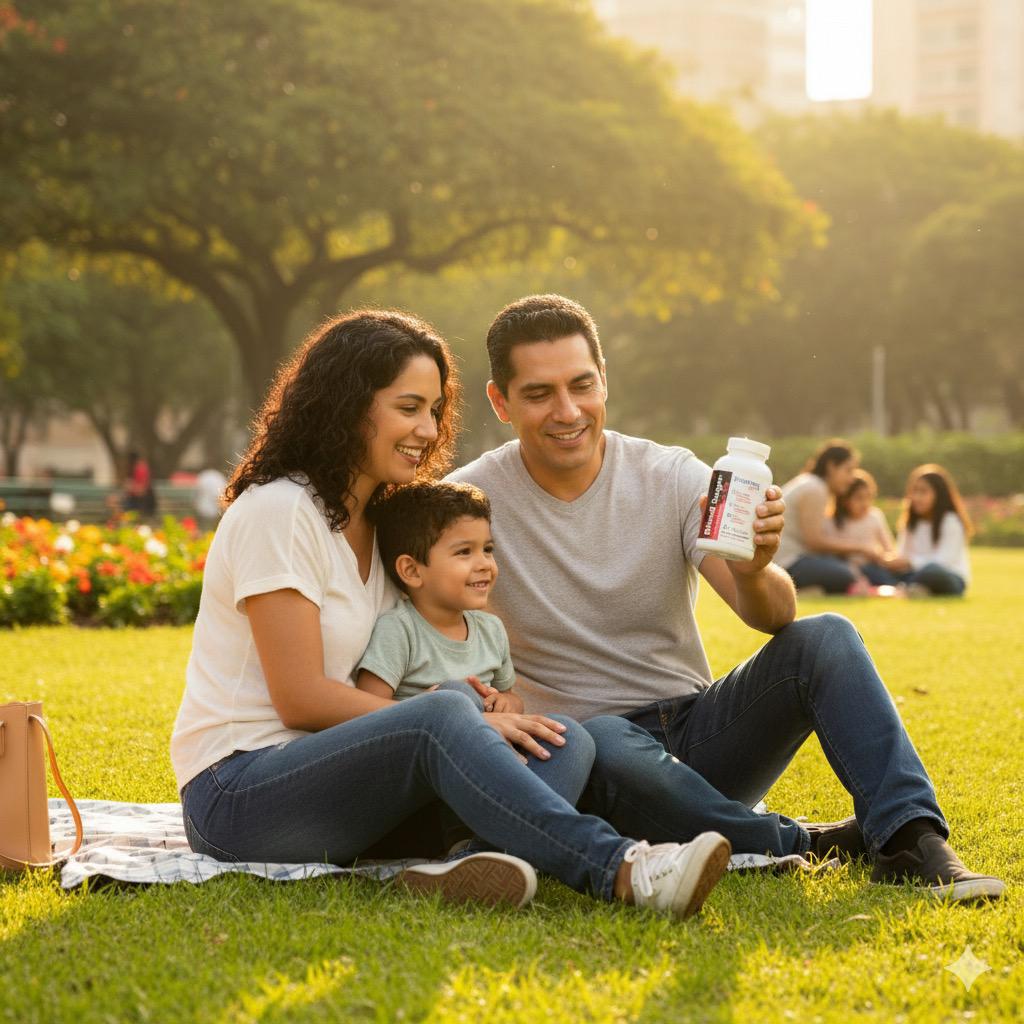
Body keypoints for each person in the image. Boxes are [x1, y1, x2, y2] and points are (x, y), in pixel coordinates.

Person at [169, 308, 732, 918]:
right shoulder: (280, 509)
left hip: (347, 785)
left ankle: (468, 863)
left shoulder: (390, 525)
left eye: (435, 410)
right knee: (442, 715)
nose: (428, 429)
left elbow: (414, 653)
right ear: (348, 405)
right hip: (242, 793)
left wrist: (481, 703)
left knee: (559, 739)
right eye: (408, 408)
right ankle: (625, 869)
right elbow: (301, 698)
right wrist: (452, 720)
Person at [448, 293, 1004, 902]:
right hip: (584, 755)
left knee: (826, 636)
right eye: (539, 394)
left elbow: (769, 616)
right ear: (500, 402)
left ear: (604, 380)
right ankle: (803, 845)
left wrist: (758, 568)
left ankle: (911, 838)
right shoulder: (467, 502)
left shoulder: (672, 475)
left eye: (583, 385)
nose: (568, 410)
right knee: (604, 736)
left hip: (699, 733)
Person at [356, 482, 520, 710]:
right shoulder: (399, 630)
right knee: (457, 695)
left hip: (492, 737)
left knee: (570, 734)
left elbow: (512, 698)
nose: (484, 563)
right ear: (412, 571)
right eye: (464, 552)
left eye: (488, 549)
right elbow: (368, 713)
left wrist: (505, 703)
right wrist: (429, 708)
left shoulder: (492, 630)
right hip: (431, 739)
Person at [773, 441, 886, 594]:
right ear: (831, 466)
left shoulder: (809, 483)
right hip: (787, 562)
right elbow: (814, 542)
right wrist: (861, 548)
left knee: (846, 570)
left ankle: (810, 589)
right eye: (848, 470)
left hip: (788, 559)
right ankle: (803, 590)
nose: (851, 478)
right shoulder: (815, 488)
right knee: (847, 574)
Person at [882, 464, 972, 596]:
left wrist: (910, 562)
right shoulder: (911, 522)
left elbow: (943, 561)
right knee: (875, 569)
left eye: (923, 492)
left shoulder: (951, 521)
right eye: (915, 491)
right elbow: (902, 554)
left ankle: (905, 588)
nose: (917, 497)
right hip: (914, 574)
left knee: (932, 570)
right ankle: (916, 589)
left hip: (948, 577)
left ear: (939, 494)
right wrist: (889, 561)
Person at [823, 469, 898, 592]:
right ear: (845, 500)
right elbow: (831, 554)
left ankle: (899, 588)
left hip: (873, 566)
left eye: (869, 497)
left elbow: (889, 549)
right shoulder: (832, 522)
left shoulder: (875, 517)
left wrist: (883, 558)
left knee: (880, 575)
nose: (865, 503)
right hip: (847, 569)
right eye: (859, 498)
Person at [194, 465, 228, 531]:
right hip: (213, 509)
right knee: (211, 530)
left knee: (204, 529)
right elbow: (218, 494)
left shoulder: (203, 476)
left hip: (202, 508)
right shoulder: (217, 477)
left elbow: (197, 492)